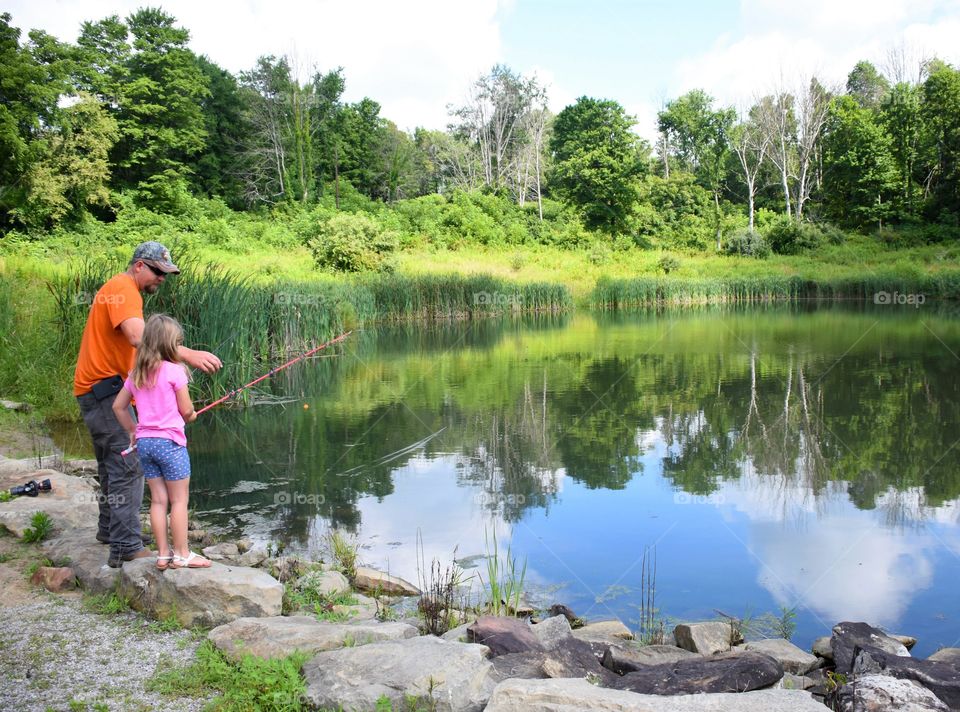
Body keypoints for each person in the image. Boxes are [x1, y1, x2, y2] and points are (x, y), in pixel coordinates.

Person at [73, 241, 221, 568]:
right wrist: (187, 355)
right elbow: (139, 337)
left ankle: (109, 531)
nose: (161, 278)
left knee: (112, 463)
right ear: (139, 265)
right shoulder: (123, 288)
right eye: (157, 271)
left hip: (100, 391)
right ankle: (126, 546)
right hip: (105, 391)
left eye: (166, 274)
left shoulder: (122, 289)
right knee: (127, 466)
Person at [113, 314, 210, 569]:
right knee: (179, 500)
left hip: (145, 445)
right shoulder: (174, 372)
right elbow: (187, 411)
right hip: (170, 444)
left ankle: (163, 554)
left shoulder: (136, 373)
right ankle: (182, 555)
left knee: (158, 500)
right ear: (169, 344)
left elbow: (118, 406)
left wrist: (133, 430)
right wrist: (192, 415)